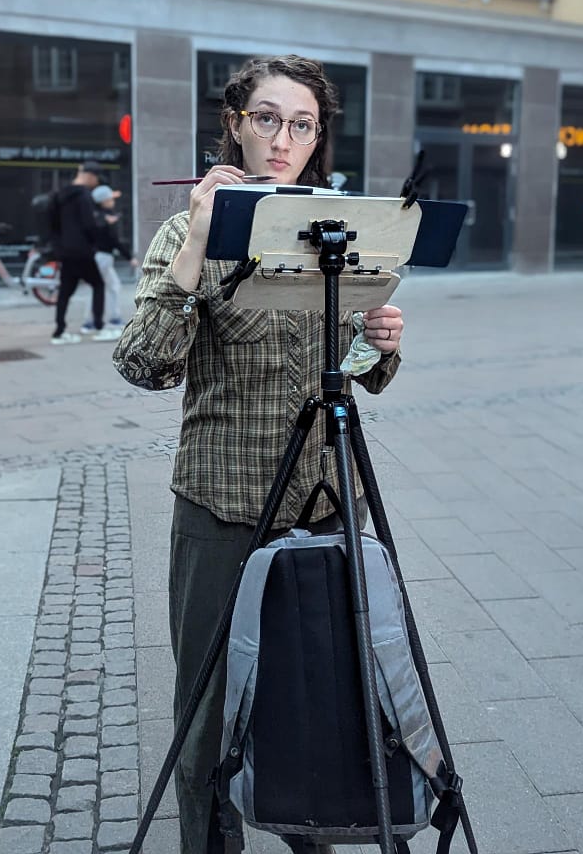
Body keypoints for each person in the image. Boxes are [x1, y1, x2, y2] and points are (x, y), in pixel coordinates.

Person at [112, 55, 404, 854]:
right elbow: (143, 362)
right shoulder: (187, 229)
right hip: (223, 507)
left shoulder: (335, 227)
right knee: (208, 712)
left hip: (322, 505)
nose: (284, 138)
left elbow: (349, 373)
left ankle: (311, 832)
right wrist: (200, 240)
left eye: (302, 123)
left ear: (318, 137)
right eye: (267, 118)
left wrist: (375, 344)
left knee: (311, 697)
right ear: (234, 125)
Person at [51, 160, 121, 345]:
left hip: (66, 251)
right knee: (98, 285)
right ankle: (98, 327)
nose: (96, 182)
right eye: (96, 178)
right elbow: (89, 224)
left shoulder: (61, 194)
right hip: (83, 250)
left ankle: (59, 331)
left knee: (65, 292)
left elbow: (54, 224)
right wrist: (96, 239)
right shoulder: (84, 196)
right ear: (90, 175)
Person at [80, 184, 138, 336]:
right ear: (104, 201)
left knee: (111, 287)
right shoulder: (102, 218)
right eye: (111, 198)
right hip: (102, 257)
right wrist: (129, 257)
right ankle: (94, 321)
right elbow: (114, 241)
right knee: (101, 288)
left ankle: (108, 318)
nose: (113, 200)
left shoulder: (97, 215)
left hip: (100, 257)